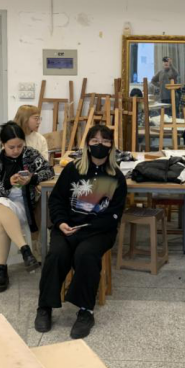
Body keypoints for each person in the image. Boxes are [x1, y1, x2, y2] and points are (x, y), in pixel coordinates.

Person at [34, 124, 127, 339]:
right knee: (56, 255)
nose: (100, 145)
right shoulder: (72, 170)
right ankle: (44, 306)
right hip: (67, 227)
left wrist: (86, 229)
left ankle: (86, 311)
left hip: (98, 231)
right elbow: (57, 200)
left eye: (105, 141)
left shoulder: (117, 177)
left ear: (111, 146)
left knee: (85, 254)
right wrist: (60, 223)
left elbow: (114, 214)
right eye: (95, 141)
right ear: (87, 144)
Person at [0, 121, 54, 293]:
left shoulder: (31, 154)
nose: (16, 150)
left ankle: (1, 269)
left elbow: (49, 171)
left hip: (19, 204)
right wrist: (8, 184)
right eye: (11, 147)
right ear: (3, 144)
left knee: (0, 221)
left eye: (20, 146)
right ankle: (25, 249)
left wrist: (32, 178)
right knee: (0, 205)